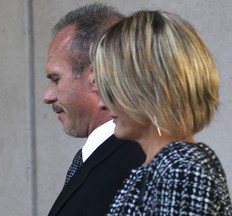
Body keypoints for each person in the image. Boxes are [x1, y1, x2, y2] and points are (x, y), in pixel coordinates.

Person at [93, 10, 232, 215]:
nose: (103, 104)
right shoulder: (163, 167)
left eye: (112, 89)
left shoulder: (181, 171)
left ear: (148, 89)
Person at [43, 3, 146, 216]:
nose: (47, 96)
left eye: (56, 79)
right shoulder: (104, 158)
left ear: (96, 77)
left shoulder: (136, 166)